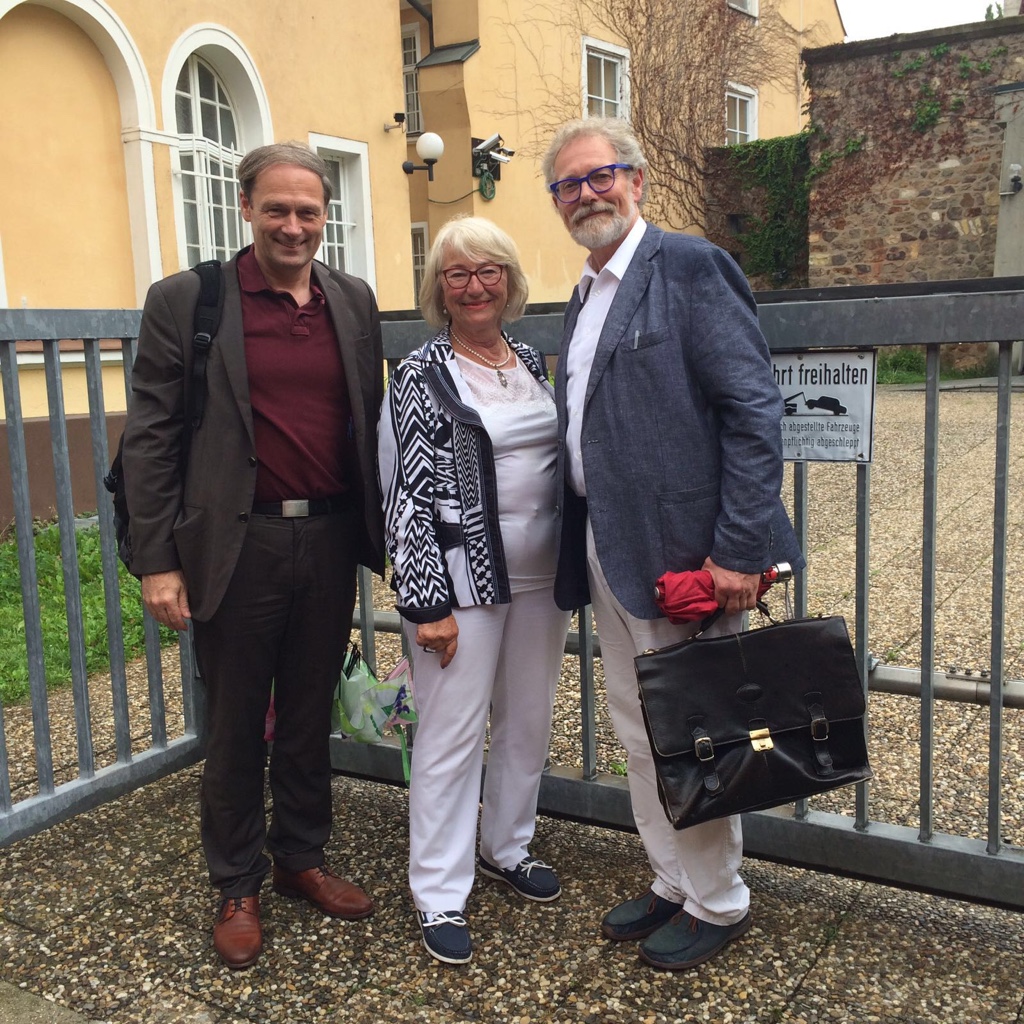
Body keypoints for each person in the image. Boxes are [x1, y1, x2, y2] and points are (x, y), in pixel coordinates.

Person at [541, 118, 805, 972]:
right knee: (637, 727)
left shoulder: (689, 266)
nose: (587, 194)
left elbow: (754, 412)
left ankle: (719, 900)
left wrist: (738, 551)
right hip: (609, 548)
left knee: (696, 732)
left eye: (601, 175)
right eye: (569, 184)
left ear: (638, 179)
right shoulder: (587, 291)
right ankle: (672, 879)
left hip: (687, 559)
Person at [121, 142, 386, 969]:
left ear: (325, 215)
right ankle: (236, 881)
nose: (293, 225)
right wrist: (157, 560)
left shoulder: (351, 298)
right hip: (238, 543)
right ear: (246, 208)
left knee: (307, 713)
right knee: (237, 722)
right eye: (277, 209)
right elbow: (151, 437)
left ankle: (301, 855)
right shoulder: (189, 300)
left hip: (330, 537)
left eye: (308, 210)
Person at [377, 215, 572, 966]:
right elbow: (405, 494)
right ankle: (438, 890)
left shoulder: (529, 360)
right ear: (439, 288)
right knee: (451, 736)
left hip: (540, 579)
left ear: (510, 281)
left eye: (488, 270)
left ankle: (506, 846)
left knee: (526, 721)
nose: (474, 286)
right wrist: (424, 602)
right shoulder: (419, 373)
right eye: (456, 274)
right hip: (461, 586)